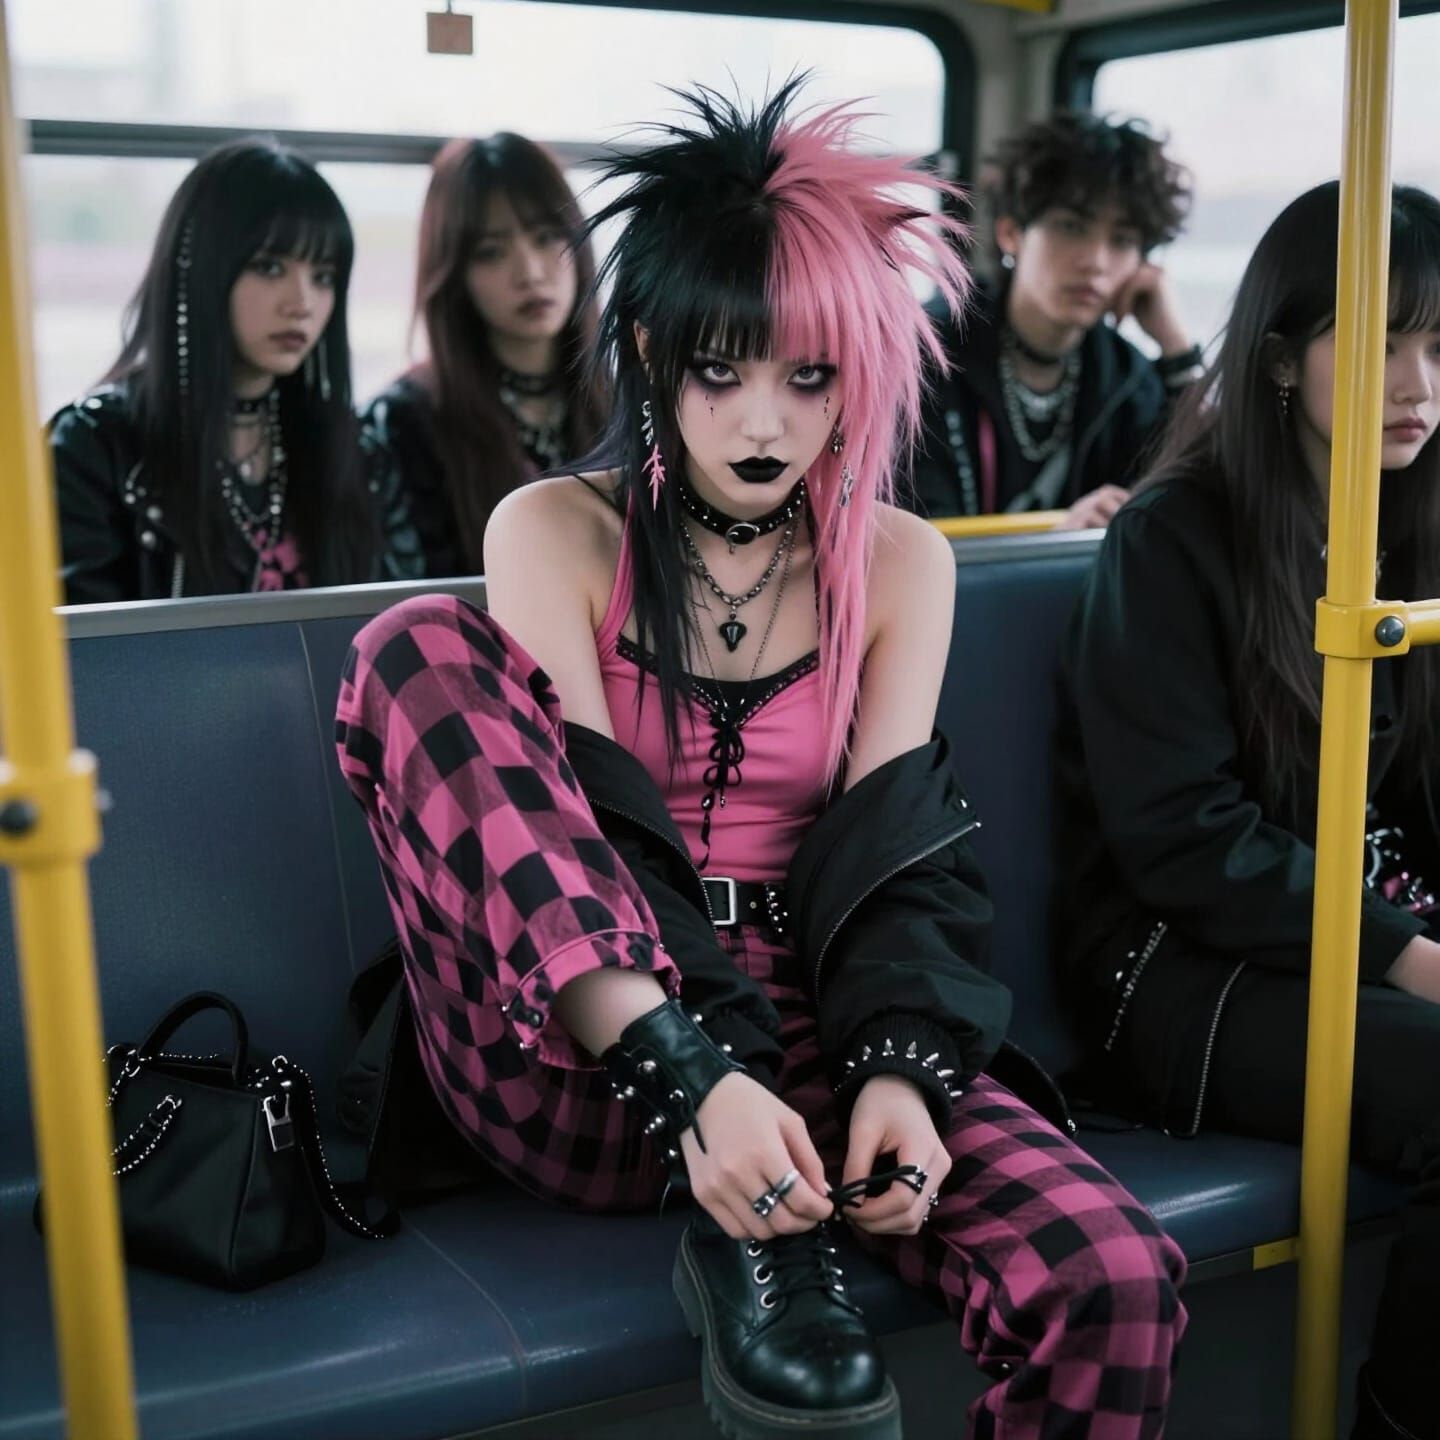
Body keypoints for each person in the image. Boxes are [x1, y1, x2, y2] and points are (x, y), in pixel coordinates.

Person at [337, 82, 1185, 1440]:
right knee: (417, 647)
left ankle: (770, 1199)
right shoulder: (554, 533)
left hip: (816, 1024)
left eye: (809, 377)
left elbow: (898, 847)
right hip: (593, 1058)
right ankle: (747, 1212)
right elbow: (584, 838)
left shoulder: (898, 561)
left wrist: (902, 1070)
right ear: (651, 354)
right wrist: (700, 1080)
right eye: (719, 372)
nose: (764, 424)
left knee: (1117, 1278)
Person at [1054, 181, 1440, 1440]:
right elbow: (1182, 838)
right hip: (1176, 963)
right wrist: (1414, 958)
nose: (1417, 383)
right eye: (1380, 342)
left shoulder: (1416, 533)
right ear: (1283, 357)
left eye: (1439, 348)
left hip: (1366, 925)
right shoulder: (1174, 540)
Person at [52, 138, 400, 603]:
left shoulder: (352, 447)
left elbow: (395, 626)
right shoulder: (96, 446)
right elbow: (90, 654)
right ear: (199, 272)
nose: (302, 303)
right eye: (269, 267)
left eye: (323, 277)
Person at [910, 112, 1199, 528]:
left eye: (1122, 240)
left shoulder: (1127, 377)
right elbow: (915, 533)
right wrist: (1054, 537)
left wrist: (1176, 349)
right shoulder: (929, 351)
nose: (1096, 262)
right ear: (1012, 234)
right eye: (1070, 227)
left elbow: (1213, 495)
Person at [363, 134, 609, 579]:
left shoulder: (633, 396)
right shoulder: (404, 425)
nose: (530, 273)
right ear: (455, 274)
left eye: (547, 237)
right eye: (491, 252)